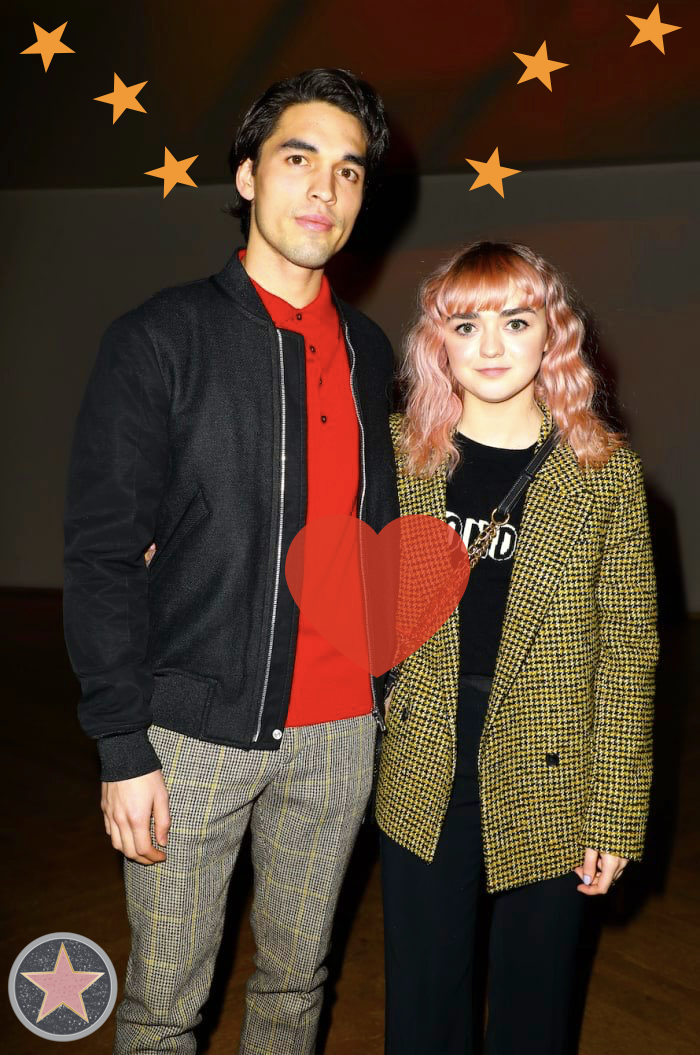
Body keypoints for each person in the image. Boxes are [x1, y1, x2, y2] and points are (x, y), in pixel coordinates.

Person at [63, 68, 398, 1054]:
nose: (324, 189)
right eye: (298, 158)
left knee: (297, 985)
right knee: (165, 1004)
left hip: (340, 734)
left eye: (348, 170)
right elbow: (101, 554)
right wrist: (122, 745)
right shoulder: (159, 339)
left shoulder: (373, 352)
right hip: (191, 734)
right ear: (248, 176)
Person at [375, 240, 658, 1055]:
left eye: (516, 320)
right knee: (424, 1009)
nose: (491, 345)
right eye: (467, 324)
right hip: (423, 762)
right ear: (439, 339)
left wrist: (614, 811)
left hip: (552, 769)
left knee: (535, 1013)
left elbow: (629, 654)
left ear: (552, 334)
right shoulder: (393, 456)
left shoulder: (604, 473)